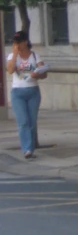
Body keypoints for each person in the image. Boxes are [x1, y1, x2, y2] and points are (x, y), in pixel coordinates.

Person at [6, 30, 48, 159]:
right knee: (23, 121)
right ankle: (27, 149)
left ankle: (30, 147)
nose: (16, 44)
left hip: (33, 91)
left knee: (32, 121)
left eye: (18, 42)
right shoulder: (12, 56)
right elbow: (10, 70)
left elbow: (44, 73)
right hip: (17, 92)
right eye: (14, 42)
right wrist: (14, 54)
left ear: (25, 42)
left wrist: (38, 74)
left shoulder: (35, 56)